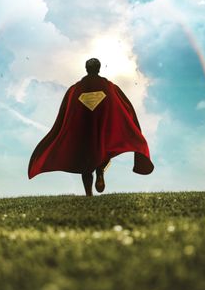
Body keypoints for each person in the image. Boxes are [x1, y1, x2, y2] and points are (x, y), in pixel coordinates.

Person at [28, 58, 154, 196]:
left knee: (85, 161)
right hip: (103, 129)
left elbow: (66, 112)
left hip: (83, 132)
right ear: (98, 69)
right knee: (104, 151)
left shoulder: (75, 89)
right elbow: (123, 105)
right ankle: (100, 171)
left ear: (86, 69)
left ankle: (89, 193)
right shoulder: (110, 87)